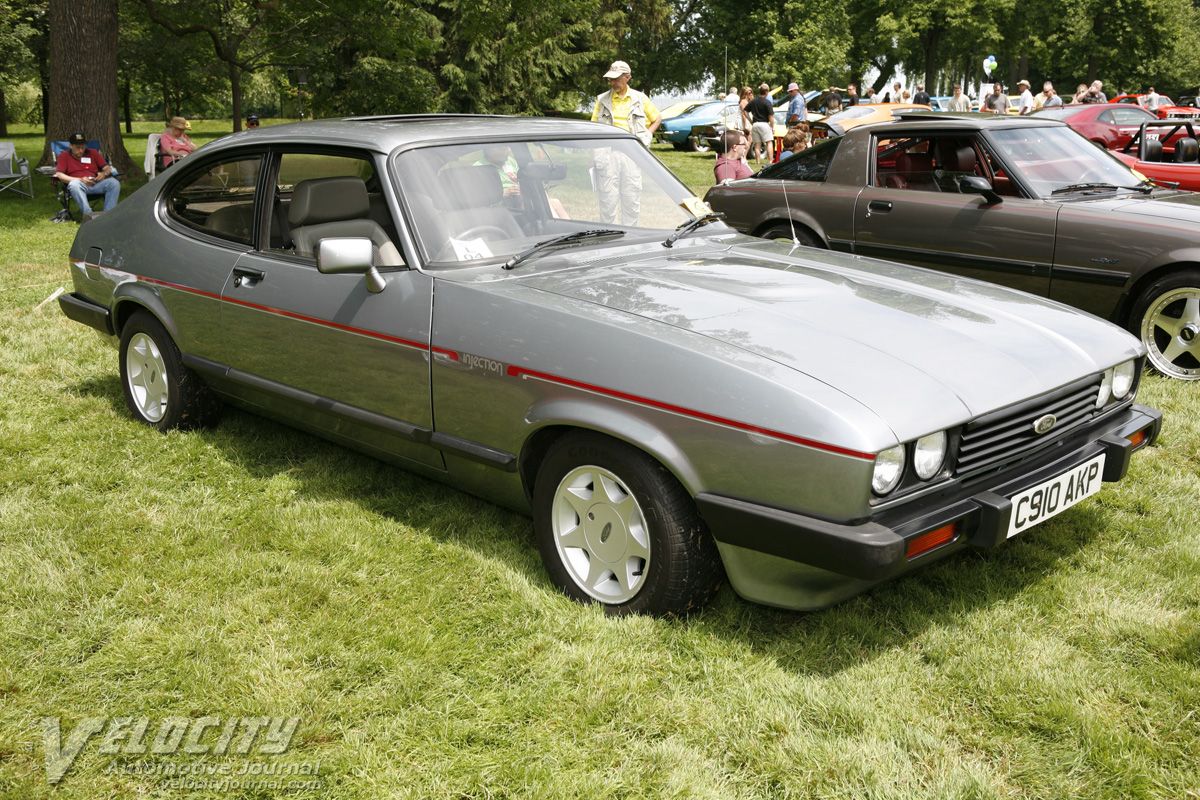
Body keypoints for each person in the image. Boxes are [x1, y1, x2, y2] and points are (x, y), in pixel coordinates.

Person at [590, 60, 661, 225]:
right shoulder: (601, 100)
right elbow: (593, 128)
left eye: (616, 79)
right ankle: (610, 239)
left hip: (633, 154)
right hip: (607, 154)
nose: (612, 82)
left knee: (631, 198)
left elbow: (657, 118)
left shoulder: (640, 98)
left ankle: (631, 238)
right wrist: (592, 156)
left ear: (627, 77)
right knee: (608, 200)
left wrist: (646, 137)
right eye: (610, 79)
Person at [53, 132, 120, 212]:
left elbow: (107, 168)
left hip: (95, 183)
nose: (81, 150)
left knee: (114, 183)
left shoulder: (93, 152)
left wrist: (104, 174)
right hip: (79, 185)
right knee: (74, 184)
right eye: (77, 148)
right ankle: (88, 214)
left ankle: (109, 213)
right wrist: (80, 180)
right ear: (70, 146)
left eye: (83, 147)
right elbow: (59, 174)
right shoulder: (64, 156)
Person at [745, 83, 775, 164]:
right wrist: (772, 127)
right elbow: (770, 117)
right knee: (769, 142)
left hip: (755, 124)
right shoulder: (767, 102)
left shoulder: (753, 101)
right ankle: (770, 160)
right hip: (764, 123)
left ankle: (758, 161)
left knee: (757, 144)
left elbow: (745, 111)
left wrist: (750, 120)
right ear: (767, 92)